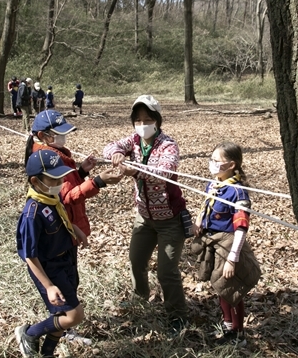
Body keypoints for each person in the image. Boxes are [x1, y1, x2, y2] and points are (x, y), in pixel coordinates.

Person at [25, 109, 124, 345]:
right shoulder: (47, 160)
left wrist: (81, 171)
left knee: (70, 283)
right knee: (64, 290)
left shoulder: (55, 156)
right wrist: (98, 181)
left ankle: (59, 332)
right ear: (42, 135)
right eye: (57, 134)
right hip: (58, 235)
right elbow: (66, 197)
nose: (63, 138)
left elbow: (63, 187)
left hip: (66, 230)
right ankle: (40, 331)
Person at [103, 95, 189, 332]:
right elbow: (109, 146)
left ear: (158, 121)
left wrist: (136, 170)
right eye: (138, 120)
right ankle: (140, 298)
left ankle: (177, 315)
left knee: (166, 272)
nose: (143, 124)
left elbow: (165, 170)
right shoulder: (134, 140)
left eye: (148, 119)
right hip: (144, 217)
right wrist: (116, 154)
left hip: (170, 220)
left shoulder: (168, 144)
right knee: (136, 262)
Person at [15, 149, 86, 357]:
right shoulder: (32, 214)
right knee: (74, 315)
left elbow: (61, 220)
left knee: (62, 313)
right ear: (36, 181)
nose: (61, 182)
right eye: (54, 179)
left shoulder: (51, 198)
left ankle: (47, 353)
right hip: (50, 269)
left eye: (61, 177)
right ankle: (29, 333)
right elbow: (30, 255)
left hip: (67, 260)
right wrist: (48, 286)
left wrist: (76, 230)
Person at [191, 141, 261, 347]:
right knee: (219, 286)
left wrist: (233, 257)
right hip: (212, 241)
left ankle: (237, 333)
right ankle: (227, 324)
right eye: (211, 159)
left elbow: (241, 227)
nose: (211, 164)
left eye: (216, 161)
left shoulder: (237, 192)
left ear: (231, 165)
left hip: (228, 244)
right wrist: (198, 223)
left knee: (232, 289)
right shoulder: (213, 184)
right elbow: (206, 207)